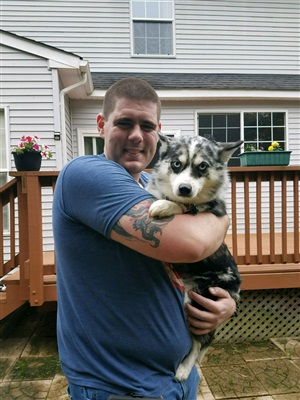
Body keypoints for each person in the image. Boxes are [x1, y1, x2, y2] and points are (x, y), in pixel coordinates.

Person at [53, 77, 236, 400]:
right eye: (124, 122)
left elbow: (211, 251)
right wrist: (221, 216)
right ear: (101, 125)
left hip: (177, 379)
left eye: (147, 126)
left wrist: (226, 302)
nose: (136, 136)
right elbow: (192, 244)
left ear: (158, 133)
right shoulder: (86, 173)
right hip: (119, 386)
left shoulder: (156, 184)